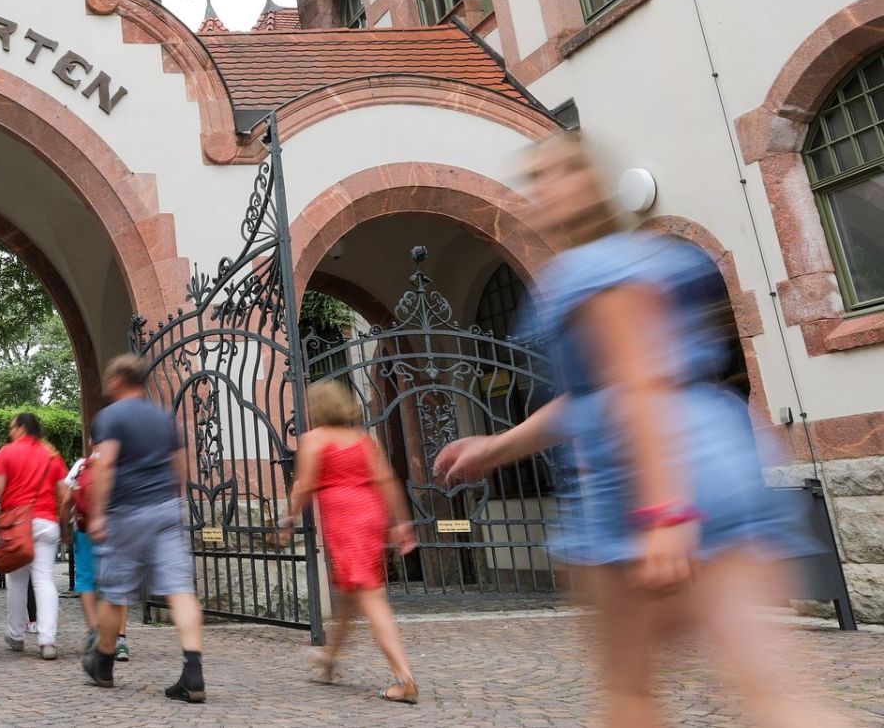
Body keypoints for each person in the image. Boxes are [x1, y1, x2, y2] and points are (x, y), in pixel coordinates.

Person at [435, 133, 849, 728]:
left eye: (555, 173)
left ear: (588, 183)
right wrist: (493, 449)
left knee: (630, 696)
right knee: (770, 688)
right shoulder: (655, 258)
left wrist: (665, 515)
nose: (542, 189)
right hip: (721, 463)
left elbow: (637, 388)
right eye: (535, 179)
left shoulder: (589, 272)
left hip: (639, 482)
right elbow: (597, 395)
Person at [281, 380, 418, 703]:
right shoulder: (363, 439)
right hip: (371, 516)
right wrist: (401, 524)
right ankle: (328, 661)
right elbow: (387, 481)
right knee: (350, 596)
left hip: (345, 521)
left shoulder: (314, 440)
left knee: (371, 598)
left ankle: (405, 678)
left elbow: (306, 485)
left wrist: (288, 519)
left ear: (316, 409)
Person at [84, 355, 205, 703]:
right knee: (181, 589)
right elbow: (179, 465)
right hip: (167, 508)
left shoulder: (111, 417)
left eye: (109, 378)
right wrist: (174, 501)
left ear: (121, 379)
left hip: (127, 511)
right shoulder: (163, 416)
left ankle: (103, 663)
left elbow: (105, 466)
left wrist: (98, 514)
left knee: (116, 590)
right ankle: (193, 672)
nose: (107, 386)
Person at [0, 411, 69, 659]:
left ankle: (16, 634)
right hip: (46, 521)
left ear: (22, 428)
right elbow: (66, 493)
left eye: (13, 427)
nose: (11, 432)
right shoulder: (51, 454)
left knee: (16, 580)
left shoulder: (7, 452)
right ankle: (47, 640)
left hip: (17, 523)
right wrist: (64, 525)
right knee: (44, 579)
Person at [60, 446, 117, 660]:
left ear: (92, 442)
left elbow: (66, 500)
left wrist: (64, 529)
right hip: (115, 529)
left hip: (85, 529)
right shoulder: (119, 463)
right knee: (116, 583)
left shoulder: (81, 466)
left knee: (85, 581)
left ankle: (94, 629)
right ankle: (120, 639)